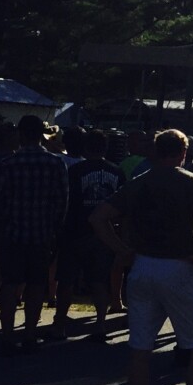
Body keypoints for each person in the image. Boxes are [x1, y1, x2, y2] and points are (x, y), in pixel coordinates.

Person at [91, 129, 193, 385]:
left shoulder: (138, 183)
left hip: (143, 265)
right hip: (179, 266)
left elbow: (98, 217)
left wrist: (122, 250)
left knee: (140, 349)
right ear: (184, 152)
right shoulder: (192, 182)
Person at [0, 114, 71, 354]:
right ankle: (30, 333)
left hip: (13, 234)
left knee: (10, 284)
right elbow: (62, 202)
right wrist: (55, 229)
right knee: (36, 286)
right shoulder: (56, 164)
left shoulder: (8, 164)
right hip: (42, 235)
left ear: (21, 135)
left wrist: (2, 223)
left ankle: (8, 335)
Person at [54, 129, 125, 341]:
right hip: (104, 233)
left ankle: (59, 323)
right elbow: (122, 204)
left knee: (66, 280)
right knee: (99, 280)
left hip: (75, 230)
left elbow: (65, 201)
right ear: (105, 148)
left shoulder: (75, 170)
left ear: (86, 147)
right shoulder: (116, 172)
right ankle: (100, 324)